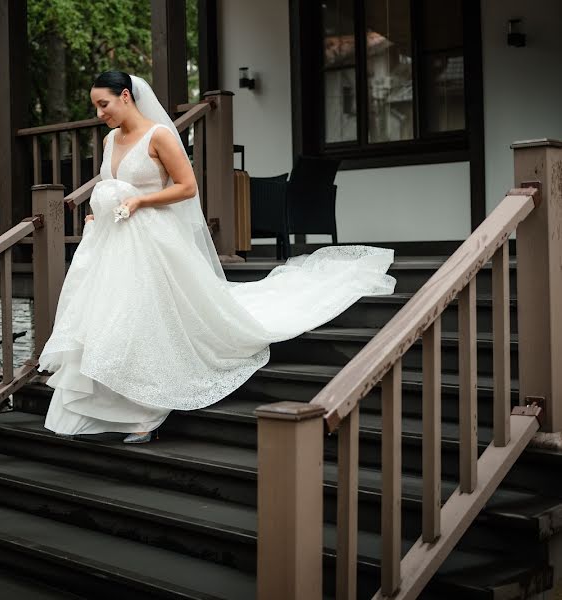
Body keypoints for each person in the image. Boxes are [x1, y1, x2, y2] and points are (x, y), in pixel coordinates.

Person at [39, 71, 396, 443]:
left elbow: (186, 187)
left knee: (146, 316)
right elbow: (109, 183)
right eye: (96, 106)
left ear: (125, 96)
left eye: (103, 104)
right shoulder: (112, 139)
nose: (99, 113)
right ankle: (107, 404)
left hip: (151, 240)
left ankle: (144, 410)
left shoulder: (158, 135)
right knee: (111, 319)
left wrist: (142, 200)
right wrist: (101, 209)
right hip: (113, 245)